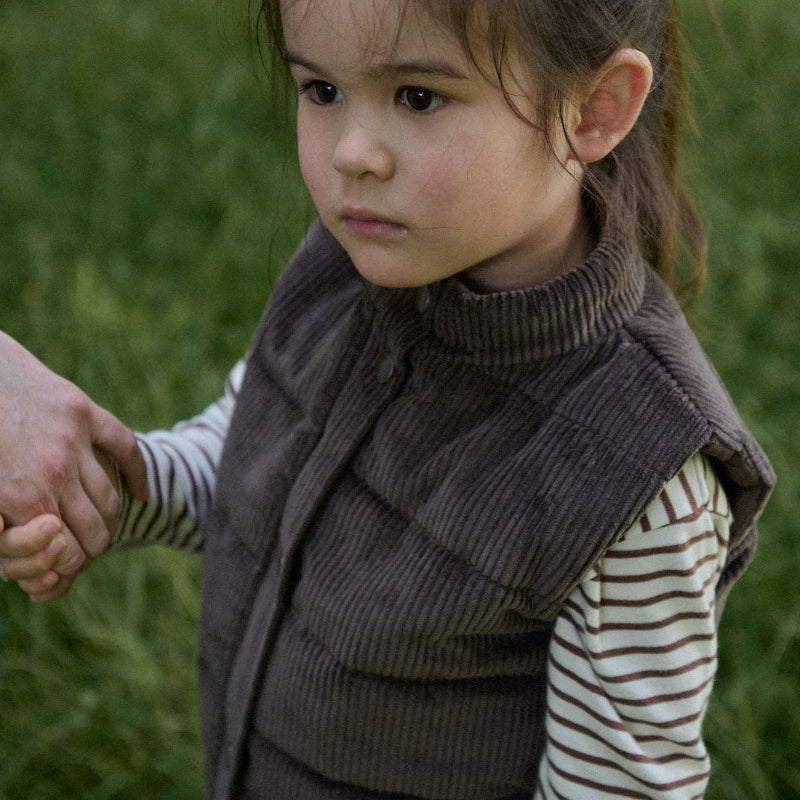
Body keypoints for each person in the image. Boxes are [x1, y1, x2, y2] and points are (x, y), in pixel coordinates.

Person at [0, 0, 775, 798]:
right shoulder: (362, 261)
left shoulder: (641, 482)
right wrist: (104, 492)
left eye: (418, 97)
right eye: (322, 90)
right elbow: (254, 444)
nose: (352, 154)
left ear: (594, 109)